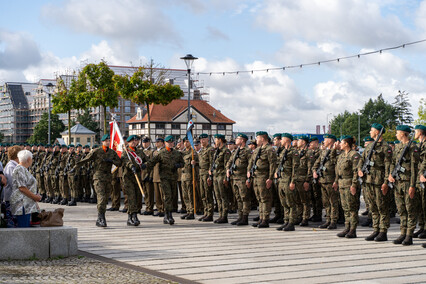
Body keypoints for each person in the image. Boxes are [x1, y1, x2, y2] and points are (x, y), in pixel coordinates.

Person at [76, 134, 122, 227]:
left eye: (109, 141)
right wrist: (75, 167)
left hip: (108, 177)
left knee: (105, 198)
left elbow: (119, 163)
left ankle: (100, 216)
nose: (108, 142)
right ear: (102, 142)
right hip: (98, 177)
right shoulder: (97, 151)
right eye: (106, 141)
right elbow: (86, 159)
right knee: (101, 197)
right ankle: (101, 217)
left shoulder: (112, 152)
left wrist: (112, 161)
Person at [389, 125, 420, 246]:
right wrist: (390, 175)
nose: (396, 135)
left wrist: (412, 185)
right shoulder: (398, 147)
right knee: (401, 209)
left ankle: (409, 235)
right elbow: (393, 162)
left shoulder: (412, 147)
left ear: (403, 134)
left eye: (397, 133)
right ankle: (402, 232)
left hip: (408, 182)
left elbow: (414, 168)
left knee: (410, 209)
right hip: (398, 182)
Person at [146, 135, 184, 225]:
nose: (171, 144)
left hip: (173, 178)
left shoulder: (177, 153)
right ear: (165, 143)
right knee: (167, 196)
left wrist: (178, 165)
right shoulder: (161, 153)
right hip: (164, 178)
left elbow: (182, 163)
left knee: (173, 196)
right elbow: (152, 162)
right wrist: (145, 168)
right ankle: (168, 215)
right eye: (168, 142)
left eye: (172, 142)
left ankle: (168, 214)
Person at [247, 131, 277, 228]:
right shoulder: (257, 149)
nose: (256, 140)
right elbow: (251, 161)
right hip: (256, 176)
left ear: (263, 139)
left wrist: (270, 178)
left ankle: (265, 219)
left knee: (265, 199)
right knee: (259, 199)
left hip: (264, 177)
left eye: (258, 138)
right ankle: (261, 218)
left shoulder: (269, 149)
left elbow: (273, 165)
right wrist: (248, 171)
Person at [335, 136, 361, 238]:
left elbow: (356, 172)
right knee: (345, 208)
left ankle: (353, 230)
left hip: (350, 184)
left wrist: (354, 185)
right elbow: (337, 170)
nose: (340, 144)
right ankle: (347, 227)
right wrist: (336, 182)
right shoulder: (341, 156)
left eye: (341, 142)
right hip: (342, 184)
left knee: (352, 208)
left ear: (346, 144)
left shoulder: (354, 155)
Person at [121, 135, 148, 226]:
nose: (134, 142)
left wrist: (145, 164)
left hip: (138, 177)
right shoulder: (126, 152)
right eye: (132, 141)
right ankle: (131, 216)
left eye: (135, 141)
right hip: (128, 177)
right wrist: (131, 166)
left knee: (137, 197)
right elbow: (125, 161)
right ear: (128, 142)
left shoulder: (140, 152)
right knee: (131, 197)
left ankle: (135, 214)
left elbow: (147, 160)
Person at [313, 134, 338, 229]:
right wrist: (315, 171)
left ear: (331, 141)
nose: (324, 141)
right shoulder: (324, 151)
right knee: (326, 202)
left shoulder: (336, 152)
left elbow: (337, 167)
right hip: (323, 180)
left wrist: (336, 181)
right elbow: (316, 164)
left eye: (326, 139)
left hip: (331, 180)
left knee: (333, 202)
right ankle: (328, 220)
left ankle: (333, 221)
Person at [10, 150, 41, 227]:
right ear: (28, 159)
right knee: (23, 229)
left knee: (25, 228)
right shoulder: (19, 169)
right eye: (31, 159)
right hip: (21, 204)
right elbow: (22, 188)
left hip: (26, 204)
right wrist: (35, 197)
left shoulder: (23, 169)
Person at [226, 133, 251, 225]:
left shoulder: (247, 151)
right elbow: (229, 161)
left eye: (238, 138)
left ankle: (245, 217)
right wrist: (228, 169)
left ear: (242, 140)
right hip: (235, 178)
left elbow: (250, 164)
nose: (236, 140)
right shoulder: (236, 151)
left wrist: (248, 178)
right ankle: (240, 216)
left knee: (244, 198)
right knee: (238, 198)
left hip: (242, 177)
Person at [209, 134, 231, 223]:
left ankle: (224, 216)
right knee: (217, 197)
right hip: (215, 175)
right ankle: (220, 215)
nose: (215, 141)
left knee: (223, 196)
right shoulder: (217, 151)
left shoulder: (226, 151)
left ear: (220, 140)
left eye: (216, 139)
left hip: (221, 176)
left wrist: (226, 178)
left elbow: (227, 166)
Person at [198, 134, 214, 222]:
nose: (201, 141)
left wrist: (210, 176)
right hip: (201, 174)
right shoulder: (201, 150)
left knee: (208, 194)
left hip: (207, 174)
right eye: (200, 140)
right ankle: (205, 212)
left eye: (203, 140)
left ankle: (210, 213)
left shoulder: (210, 150)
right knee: (203, 194)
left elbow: (212, 163)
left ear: (207, 140)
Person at [413, 125, 426, 239]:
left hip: (423, 177)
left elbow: (425, 161)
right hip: (418, 178)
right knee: (420, 205)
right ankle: (422, 227)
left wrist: (421, 173)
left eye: (416, 132)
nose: (414, 134)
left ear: (420, 133)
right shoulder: (418, 145)